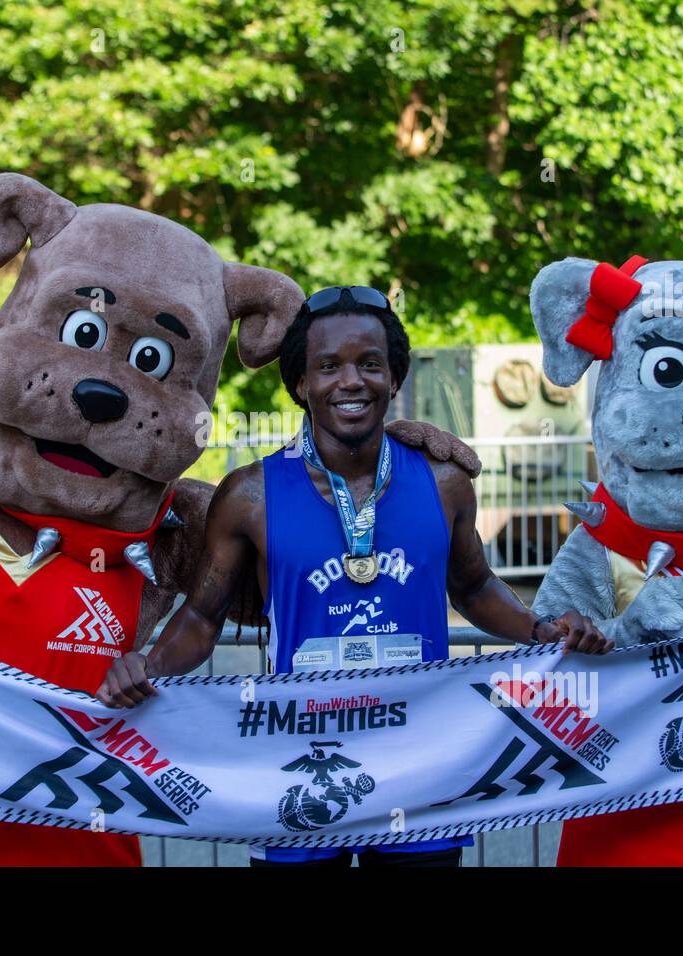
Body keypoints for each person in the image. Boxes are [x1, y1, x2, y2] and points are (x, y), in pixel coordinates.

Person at [96, 285, 612, 867]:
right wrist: (147, 667)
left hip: (419, 763)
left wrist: (543, 631)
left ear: (394, 378)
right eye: (328, 366)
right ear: (299, 385)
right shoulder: (251, 494)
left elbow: (472, 587)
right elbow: (200, 616)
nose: (351, 381)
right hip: (301, 766)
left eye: (370, 364)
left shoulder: (444, 481)